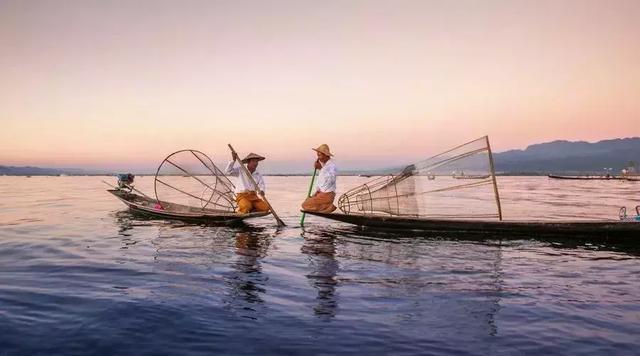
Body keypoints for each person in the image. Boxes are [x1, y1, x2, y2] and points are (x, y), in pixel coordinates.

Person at [302, 144, 337, 213]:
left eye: (320, 155)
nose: (318, 158)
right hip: (322, 193)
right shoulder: (325, 166)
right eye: (318, 156)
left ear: (325, 155)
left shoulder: (331, 166)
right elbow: (321, 182)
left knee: (305, 205)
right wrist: (316, 192)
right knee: (306, 202)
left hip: (327, 194)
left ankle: (328, 207)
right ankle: (326, 207)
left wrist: (321, 169)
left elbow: (331, 180)